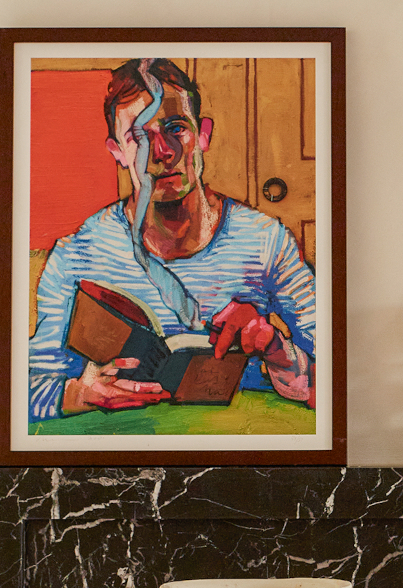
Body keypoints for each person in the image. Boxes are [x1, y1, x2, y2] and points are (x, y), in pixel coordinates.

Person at [28, 56, 316, 422]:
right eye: (138, 137)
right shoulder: (78, 255)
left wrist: (276, 349)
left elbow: (344, 378)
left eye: (176, 128)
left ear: (203, 135)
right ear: (117, 152)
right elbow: (22, 391)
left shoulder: (265, 242)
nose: (163, 152)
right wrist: (77, 392)